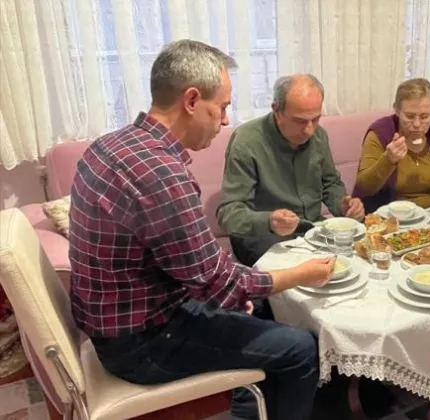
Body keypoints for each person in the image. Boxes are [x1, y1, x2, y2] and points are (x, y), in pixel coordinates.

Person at [68, 40, 336, 420]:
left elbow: (185, 267)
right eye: (222, 107)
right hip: (144, 344)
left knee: (264, 307)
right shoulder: (162, 174)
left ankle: (250, 407)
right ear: (192, 100)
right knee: (301, 348)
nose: (225, 120)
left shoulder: (111, 146)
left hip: (120, 324)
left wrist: (228, 294)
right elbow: (220, 283)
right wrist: (303, 274)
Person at [217, 74, 365, 267]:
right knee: (302, 273)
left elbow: (330, 183)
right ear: (277, 111)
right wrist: (269, 221)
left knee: (359, 258)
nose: (309, 130)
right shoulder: (247, 141)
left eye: (316, 119)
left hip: (310, 228)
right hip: (261, 235)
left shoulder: (319, 136)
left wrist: (343, 204)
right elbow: (228, 213)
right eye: (300, 121)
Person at [352, 78, 430, 213]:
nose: (416, 124)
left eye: (424, 116)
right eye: (409, 116)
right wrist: (388, 160)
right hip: (390, 220)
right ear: (397, 111)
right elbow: (364, 188)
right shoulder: (380, 133)